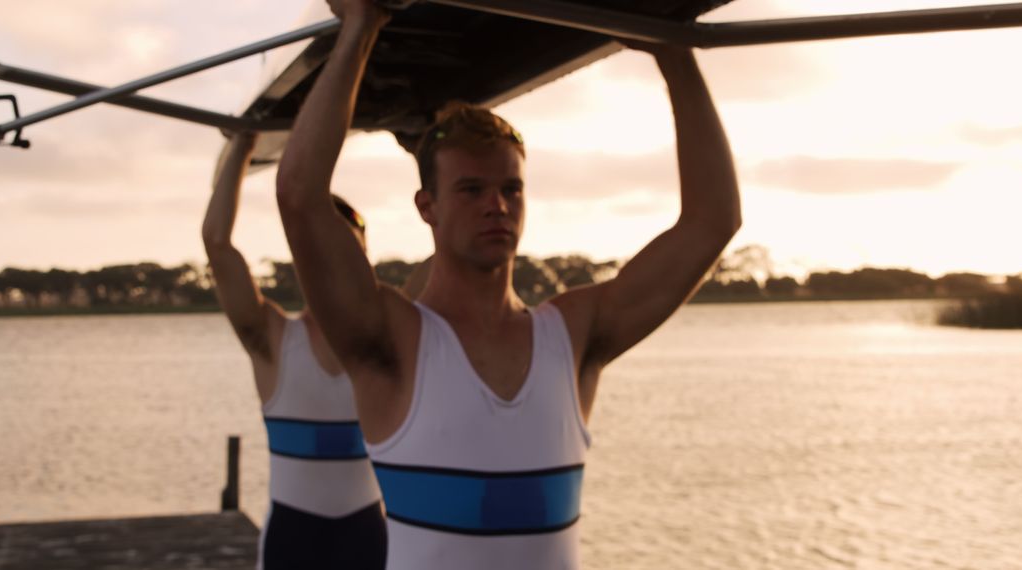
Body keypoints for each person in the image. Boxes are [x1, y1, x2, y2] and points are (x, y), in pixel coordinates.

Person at [275, 1, 741, 568]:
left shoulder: (573, 334)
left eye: (511, 189)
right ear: (429, 207)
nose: (496, 205)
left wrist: (674, 56)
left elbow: (712, 221)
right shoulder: (392, 342)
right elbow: (301, 195)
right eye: (471, 190)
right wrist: (361, 25)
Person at [203, 131, 392, 570]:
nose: (333, 262)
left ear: (364, 259)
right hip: (294, 538)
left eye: (346, 248)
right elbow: (217, 243)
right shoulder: (272, 340)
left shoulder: (386, 342)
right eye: (320, 249)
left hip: (366, 537)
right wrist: (243, 148)